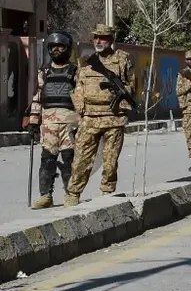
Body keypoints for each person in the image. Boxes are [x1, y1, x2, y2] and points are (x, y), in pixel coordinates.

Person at [65, 24, 136, 206]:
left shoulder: (123, 59)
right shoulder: (86, 61)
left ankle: (107, 192)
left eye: (102, 38)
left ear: (111, 40)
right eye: (95, 37)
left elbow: (132, 86)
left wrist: (122, 91)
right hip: (90, 118)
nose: (98, 41)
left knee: (110, 161)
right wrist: (80, 110)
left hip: (114, 117)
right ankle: (73, 194)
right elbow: (79, 86)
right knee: (81, 159)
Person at [26, 32, 80, 209]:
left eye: (60, 46)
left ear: (68, 49)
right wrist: (33, 121)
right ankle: (45, 196)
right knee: (47, 159)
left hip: (70, 123)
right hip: (48, 123)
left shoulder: (76, 71)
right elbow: (38, 97)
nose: (56, 50)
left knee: (68, 160)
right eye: (53, 47)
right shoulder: (44, 72)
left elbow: (82, 98)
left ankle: (71, 194)